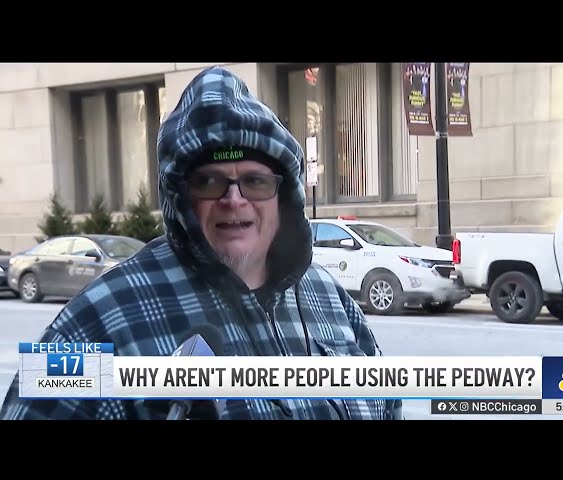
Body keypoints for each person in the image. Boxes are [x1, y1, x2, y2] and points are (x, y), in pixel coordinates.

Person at [0, 65, 403, 420]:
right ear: (180, 197)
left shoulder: (328, 296)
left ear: (285, 197)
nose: (234, 199)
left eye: (255, 181)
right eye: (209, 182)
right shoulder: (97, 318)